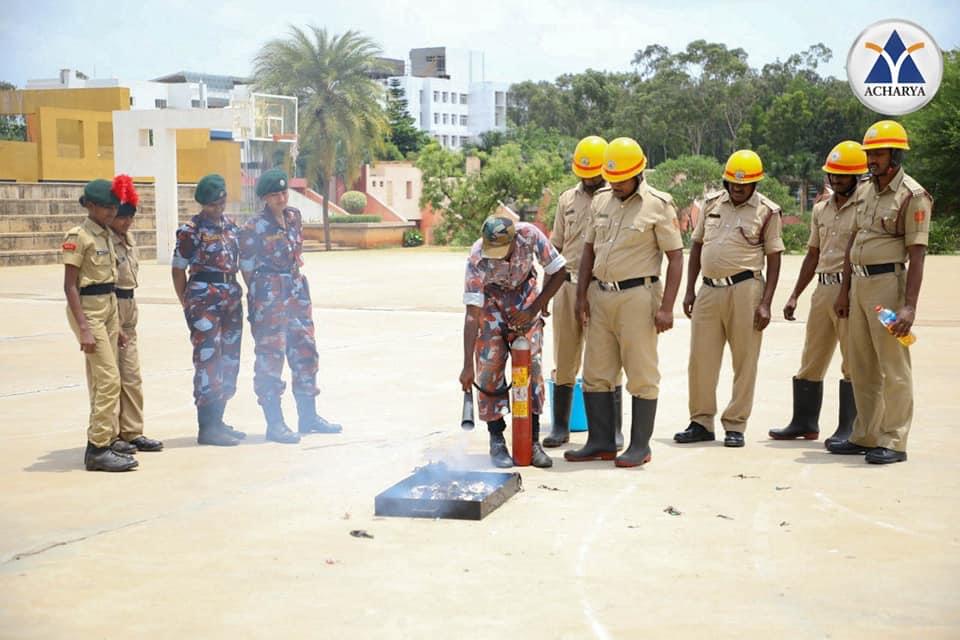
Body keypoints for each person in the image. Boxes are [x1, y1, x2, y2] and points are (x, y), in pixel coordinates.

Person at [564, 137, 684, 466]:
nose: (615, 185)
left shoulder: (659, 204)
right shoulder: (601, 201)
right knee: (596, 372)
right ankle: (600, 442)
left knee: (641, 373)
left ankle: (639, 446)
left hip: (638, 297)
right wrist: (581, 296)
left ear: (639, 174)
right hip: (599, 295)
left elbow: (675, 258)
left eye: (621, 180)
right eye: (612, 180)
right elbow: (588, 249)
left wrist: (666, 307)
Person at [829, 120, 932, 464]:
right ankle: (865, 434)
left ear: (896, 155)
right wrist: (844, 291)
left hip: (888, 288)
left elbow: (917, 254)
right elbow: (853, 242)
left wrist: (909, 307)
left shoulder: (913, 196)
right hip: (858, 286)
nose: (871, 160)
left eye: (878, 153)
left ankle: (894, 440)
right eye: (869, 153)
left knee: (893, 366)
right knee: (861, 364)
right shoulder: (865, 190)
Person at [675, 150, 784, 448]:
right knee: (701, 359)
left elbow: (774, 258)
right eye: (732, 184)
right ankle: (701, 422)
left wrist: (766, 303)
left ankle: (735, 424)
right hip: (709, 291)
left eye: (743, 185)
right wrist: (689, 289)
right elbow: (696, 247)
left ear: (755, 184)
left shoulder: (767, 211)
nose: (737, 188)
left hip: (746, 289)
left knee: (745, 359)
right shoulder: (712, 204)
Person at [769, 141, 865, 445]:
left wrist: (845, 292)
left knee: (852, 360)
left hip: (849, 290)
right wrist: (796, 293)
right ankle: (804, 422)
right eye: (832, 176)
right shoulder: (821, 208)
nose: (836, 181)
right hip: (823, 288)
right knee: (812, 356)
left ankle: (849, 428)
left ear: (857, 177)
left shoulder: (865, 207)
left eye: (842, 176)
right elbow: (813, 254)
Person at [239, 168, 342, 444]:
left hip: (297, 294)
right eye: (275, 194)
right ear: (265, 197)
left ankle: (308, 417)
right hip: (269, 298)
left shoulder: (294, 217)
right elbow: (247, 269)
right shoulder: (253, 227)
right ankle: (275, 423)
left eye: (284, 192)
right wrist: (264, 296)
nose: (281, 198)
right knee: (271, 359)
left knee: (306, 353)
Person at [459, 214, 567, 468]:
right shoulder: (477, 257)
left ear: (513, 240)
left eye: (500, 249)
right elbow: (472, 314)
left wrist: (534, 309)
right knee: (489, 367)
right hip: (491, 306)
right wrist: (467, 365)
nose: (495, 255)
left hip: (525, 299)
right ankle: (496, 439)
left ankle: (532, 440)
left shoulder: (529, 235)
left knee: (533, 368)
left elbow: (559, 270)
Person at [544, 135, 626, 449]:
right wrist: (544, 294)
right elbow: (555, 248)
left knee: (606, 359)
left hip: (600, 288)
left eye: (594, 173)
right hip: (566, 284)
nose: (588, 178)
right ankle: (561, 427)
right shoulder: (567, 199)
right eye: (583, 172)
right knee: (564, 356)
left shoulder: (615, 198)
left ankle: (613, 429)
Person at [63, 178, 137, 471]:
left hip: (108, 308)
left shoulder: (107, 233)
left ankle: (106, 439)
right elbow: (70, 286)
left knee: (105, 378)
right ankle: (97, 448)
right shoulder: (79, 235)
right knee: (108, 378)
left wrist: (116, 325)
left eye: (113, 207)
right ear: (90, 206)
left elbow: (110, 282)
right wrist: (83, 327)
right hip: (88, 311)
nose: (111, 212)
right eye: (106, 207)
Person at [172, 174, 245, 446]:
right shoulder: (190, 230)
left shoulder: (232, 227)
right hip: (203, 299)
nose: (217, 208)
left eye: (221, 202)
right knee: (208, 361)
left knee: (229, 360)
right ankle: (207, 428)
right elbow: (178, 269)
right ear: (203, 204)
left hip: (231, 298)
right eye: (212, 205)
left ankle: (219, 421)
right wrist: (186, 302)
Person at [109, 177, 163, 452]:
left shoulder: (128, 240)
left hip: (129, 309)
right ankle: (107, 437)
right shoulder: (105, 241)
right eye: (121, 217)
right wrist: (113, 321)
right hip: (111, 307)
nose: (127, 222)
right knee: (109, 378)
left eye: (130, 217)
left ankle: (131, 432)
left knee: (131, 375)